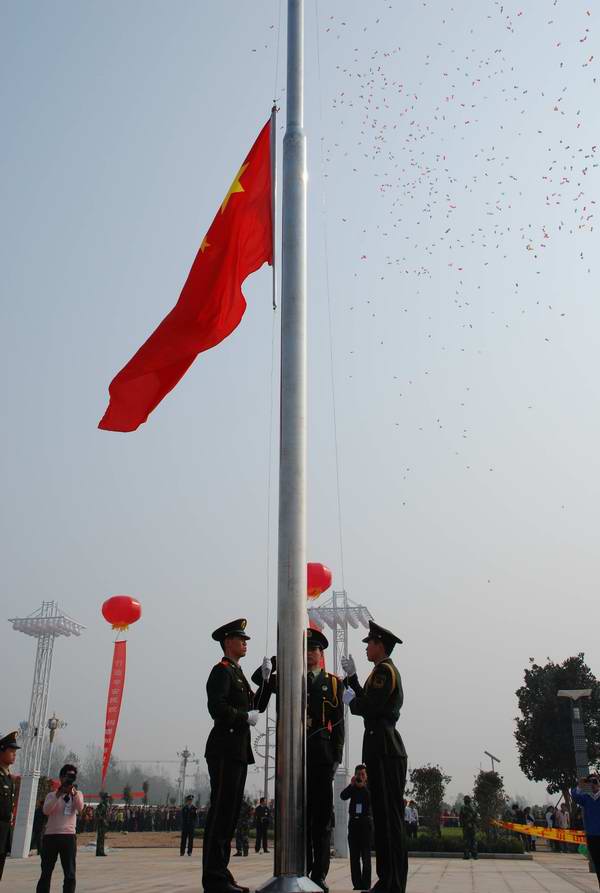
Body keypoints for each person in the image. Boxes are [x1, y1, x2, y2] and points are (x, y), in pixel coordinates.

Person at [202, 619, 271, 893]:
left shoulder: (238, 674)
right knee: (220, 814)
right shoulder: (221, 672)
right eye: (240, 638)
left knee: (229, 816)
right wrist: (243, 717)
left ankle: (222, 873)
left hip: (238, 750)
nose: (245, 642)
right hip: (224, 748)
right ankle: (214, 880)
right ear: (227, 641)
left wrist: (266, 682)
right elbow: (216, 708)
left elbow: (258, 707)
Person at [342, 619, 407, 893]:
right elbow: (370, 701)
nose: (367, 647)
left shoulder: (384, 672)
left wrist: (352, 702)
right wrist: (354, 680)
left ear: (380, 645)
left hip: (385, 749)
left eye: (369, 643)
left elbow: (371, 706)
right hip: (380, 747)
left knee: (389, 820)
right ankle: (387, 880)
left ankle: (392, 882)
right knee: (383, 819)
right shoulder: (378, 672)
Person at [36, 763, 84, 893]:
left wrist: (73, 793)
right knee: (46, 872)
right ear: (61, 778)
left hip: (68, 837)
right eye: (67, 776)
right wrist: (59, 794)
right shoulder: (52, 795)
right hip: (51, 837)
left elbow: (80, 808)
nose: (69, 779)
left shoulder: (78, 794)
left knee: (70, 873)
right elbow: (46, 810)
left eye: (72, 777)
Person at [340, 764, 372, 890]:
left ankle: (366, 884)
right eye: (358, 774)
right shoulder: (352, 788)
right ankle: (357, 884)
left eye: (363, 774)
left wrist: (363, 787)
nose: (360, 777)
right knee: (354, 857)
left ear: (366, 777)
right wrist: (352, 785)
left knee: (366, 857)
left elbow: (371, 800)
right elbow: (343, 796)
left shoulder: (368, 789)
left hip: (365, 824)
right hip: (353, 824)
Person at [572, 775, 600, 887]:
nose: (593, 784)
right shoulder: (586, 798)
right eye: (591, 782)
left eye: (595, 781)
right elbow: (574, 795)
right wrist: (580, 784)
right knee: (598, 864)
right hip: (592, 836)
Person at [0, 731, 19, 883]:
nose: (14, 754)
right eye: (11, 751)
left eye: (15, 752)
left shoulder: (8, 778)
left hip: (4, 832)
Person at [459, 795, 478, 860]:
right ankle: (474, 855)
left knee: (466, 841)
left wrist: (462, 824)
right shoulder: (473, 807)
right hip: (472, 826)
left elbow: (461, 818)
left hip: (466, 826)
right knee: (473, 841)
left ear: (464, 801)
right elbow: (476, 817)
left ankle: (466, 855)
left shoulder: (463, 807)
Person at [95, 792, 110, 856]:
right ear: (104, 798)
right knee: (100, 838)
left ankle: (100, 851)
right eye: (107, 797)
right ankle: (100, 852)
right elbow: (97, 814)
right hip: (101, 824)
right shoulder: (102, 805)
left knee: (102, 838)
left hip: (103, 823)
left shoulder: (105, 805)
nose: (108, 799)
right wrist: (103, 820)